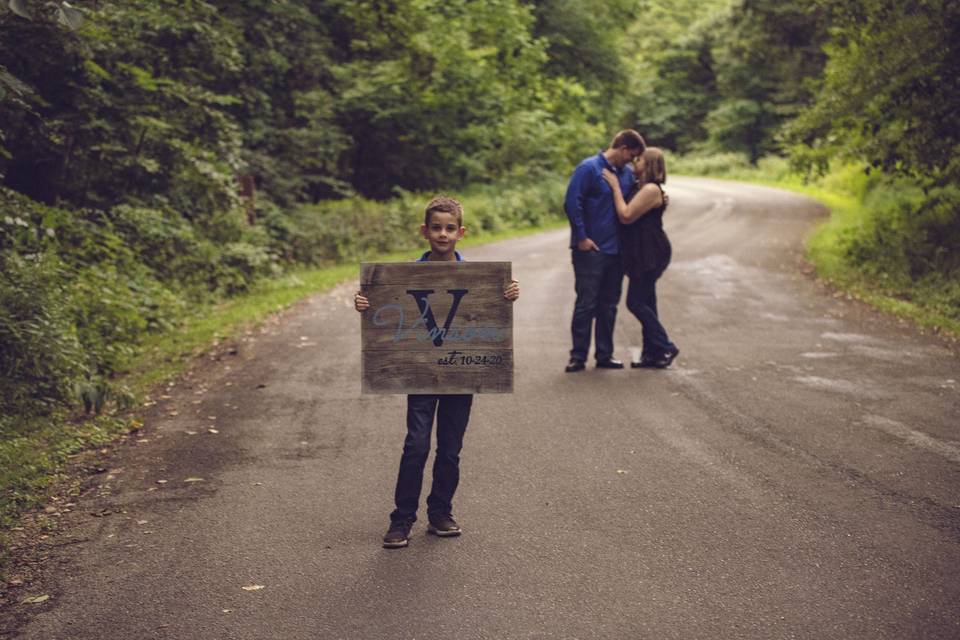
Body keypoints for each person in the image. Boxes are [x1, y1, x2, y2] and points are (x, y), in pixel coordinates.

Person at [354, 195, 520, 548]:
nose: (442, 235)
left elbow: (490, 312)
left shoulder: (478, 279)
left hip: (461, 374)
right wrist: (365, 303)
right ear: (424, 231)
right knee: (416, 445)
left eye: (449, 229)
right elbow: (384, 307)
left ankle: (441, 511)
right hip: (422, 375)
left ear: (461, 233)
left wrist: (507, 294)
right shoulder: (403, 277)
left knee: (450, 448)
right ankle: (401, 519)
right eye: (436, 228)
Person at [564, 129, 646, 373]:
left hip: (617, 252)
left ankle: (604, 354)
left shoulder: (627, 175)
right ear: (622, 148)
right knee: (586, 303)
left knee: (609, 306)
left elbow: (632, 205)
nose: (631, 161)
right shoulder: (588, 168)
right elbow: (572, 202)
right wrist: (581, 237)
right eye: (631, 156)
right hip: (590, 250)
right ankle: (578, 356)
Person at [601, 147, 679, 368]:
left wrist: (615, 187)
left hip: (651, 251)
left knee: (635, 302)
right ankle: (651, 355)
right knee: (647, 301)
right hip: (640, 251)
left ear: (649, 164)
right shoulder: (642, 187)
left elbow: (626, 216)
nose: (635, 163)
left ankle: (665, 345)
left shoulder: (652, 189)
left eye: (639, 160)